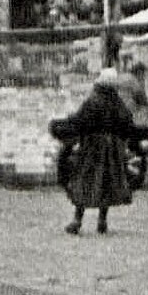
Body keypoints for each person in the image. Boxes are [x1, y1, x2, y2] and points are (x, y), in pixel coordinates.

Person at [54, 65, 137, 237]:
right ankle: (102, 220)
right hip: (112, 147)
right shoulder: (117, 102)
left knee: (84, 179)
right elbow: (127, 122)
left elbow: (80, 120)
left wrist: (68, 120)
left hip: (92, 146)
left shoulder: (93, 100)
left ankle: (77, 219)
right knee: (106, 182)